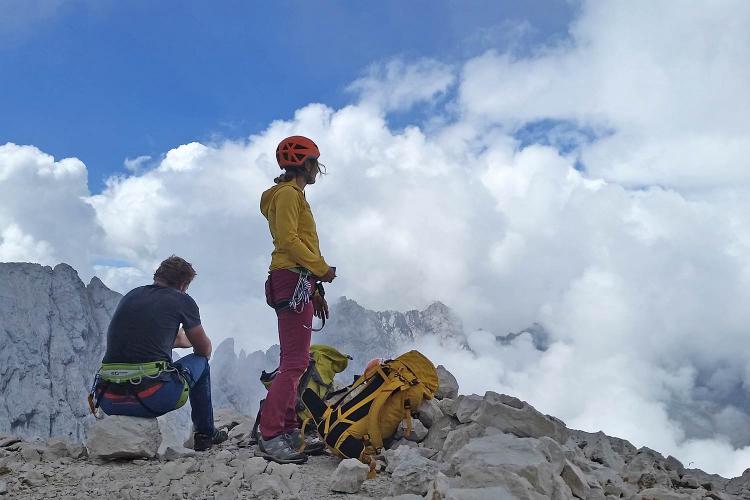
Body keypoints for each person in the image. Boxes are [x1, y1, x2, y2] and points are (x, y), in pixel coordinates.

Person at [90, 255, 228, 452]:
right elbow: (204, 350)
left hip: (109, 399)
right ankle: (205, 434)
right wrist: (190, 339)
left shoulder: (131, 295)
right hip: (151, 397)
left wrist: (177, 340)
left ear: (158, 276)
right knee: (201, 362)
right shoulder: (182, 301)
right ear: (183, 284)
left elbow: (146, 340)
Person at [257, 135, 336, 464]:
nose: (318, 168)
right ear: (305, 164)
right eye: (315, 162)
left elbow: (293, 242)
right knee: (293, 364)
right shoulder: (289, 195)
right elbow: (289, 241)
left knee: (298, 361)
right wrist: (322, 269)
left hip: (297, 281)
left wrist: (314, 287)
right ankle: (271, 433)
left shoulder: (290, 194)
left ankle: (289, 427)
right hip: (292, 278)